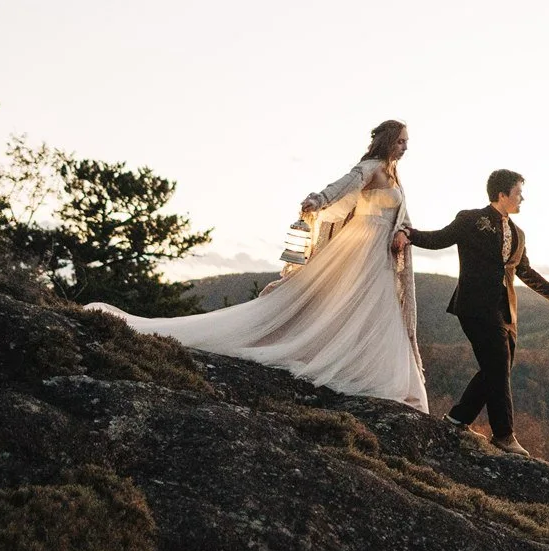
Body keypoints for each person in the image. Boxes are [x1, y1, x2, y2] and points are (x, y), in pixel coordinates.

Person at [84, 120, 427, 409]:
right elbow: (342, 188)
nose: (405, 147)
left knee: (376, 309)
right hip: (362, 246)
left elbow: (400, 215)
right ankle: (349, 364)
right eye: (400, 141)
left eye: (407, 142)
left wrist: (402, 232)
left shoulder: (394, 174)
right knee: (357, 303)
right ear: (386, 141)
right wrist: (317, 200)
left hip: (380, 249)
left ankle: (363, 366)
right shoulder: (370, 169)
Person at [405, 169, 549, 456]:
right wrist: (408, 234)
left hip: (506, 311)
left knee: (498, 367)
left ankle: (457, 419)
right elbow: (438, 239)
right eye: (519, 192)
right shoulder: (471, 219)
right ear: (502, 194)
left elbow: (524, 271)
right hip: (473, 305)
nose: (523, 198)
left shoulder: (519, 234)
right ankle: (504, 434)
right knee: (497, 362)